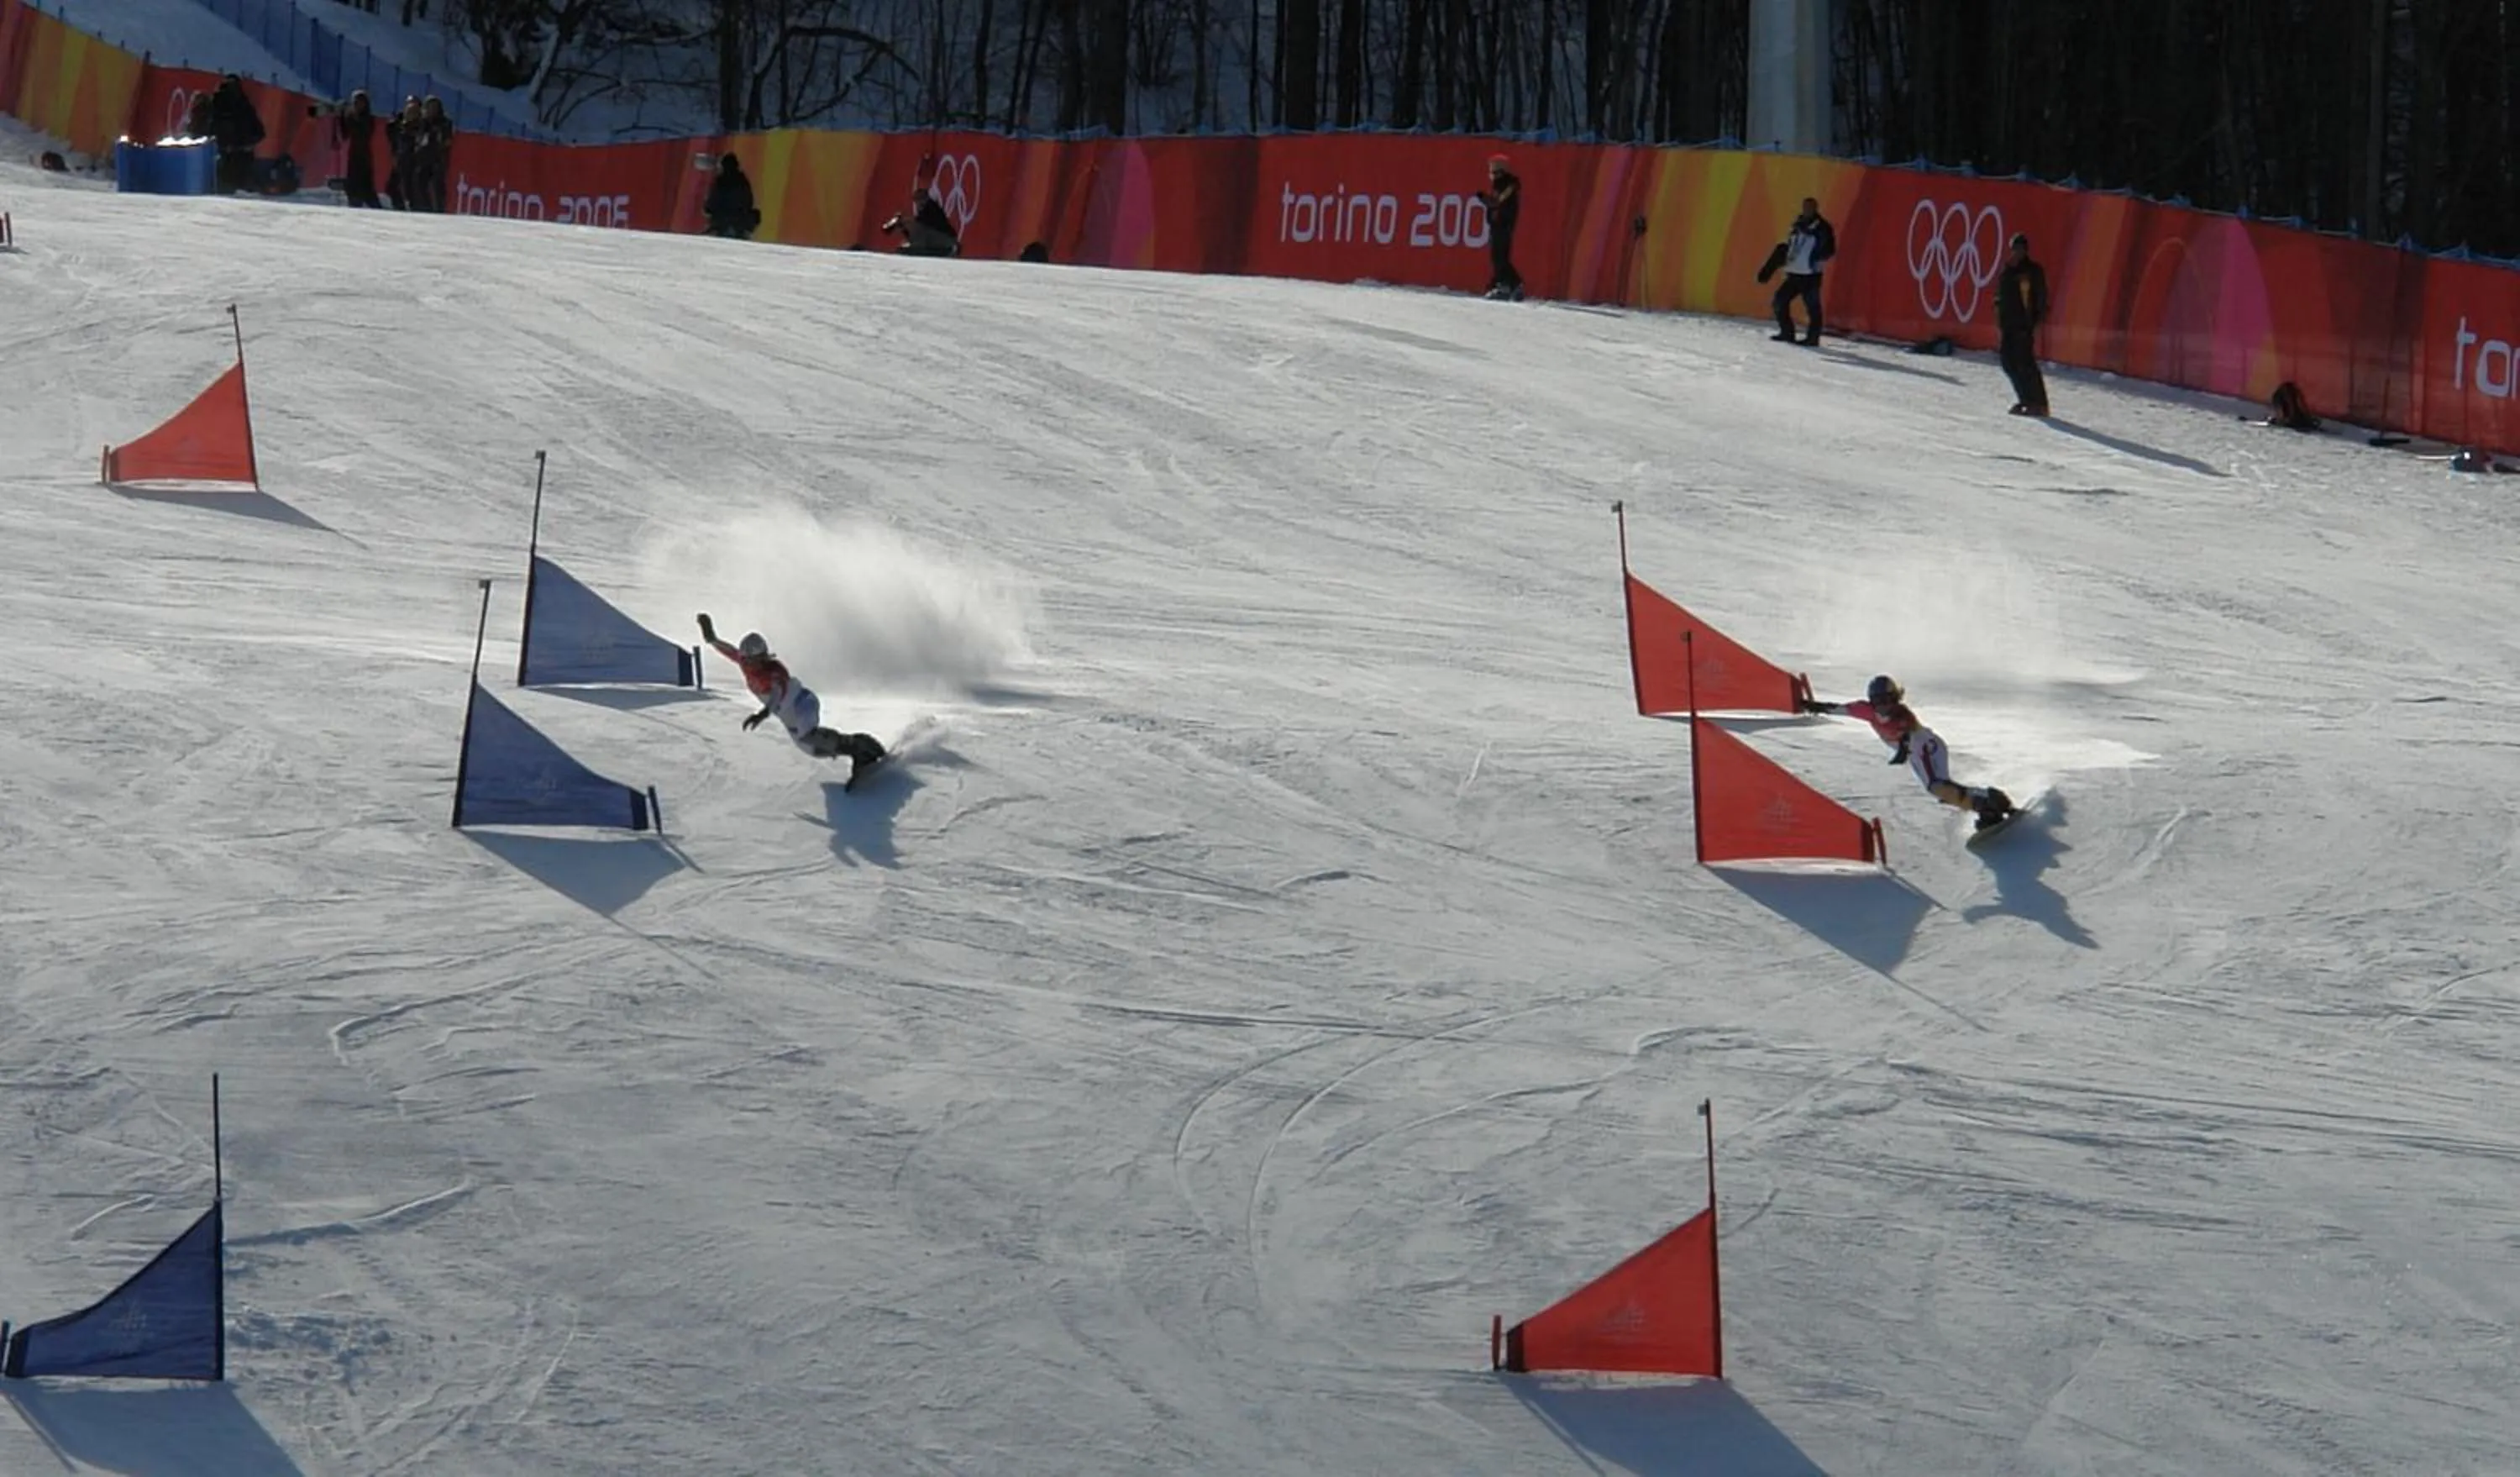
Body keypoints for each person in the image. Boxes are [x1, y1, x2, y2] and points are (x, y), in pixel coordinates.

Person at [1801, 675, 2015, 831]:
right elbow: (1840, 709)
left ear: (1896, 699)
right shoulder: (1866, 711)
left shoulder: (1903, 716)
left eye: (1888, 700)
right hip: (1917, 755)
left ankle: (1988, 800)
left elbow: (1908, 736)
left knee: (1937, 787)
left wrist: (1902, 750)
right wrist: (1814, 706)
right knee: (1939, 789)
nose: (1883, 706)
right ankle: (1985, 804)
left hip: (1928, 749)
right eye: (1878, 701)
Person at [696, 613, 888, 785]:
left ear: (762, 657)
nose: (747, 665)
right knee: (814, 751)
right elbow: (731, 652)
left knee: (809, 735)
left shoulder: (774, 671)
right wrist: (712, 639)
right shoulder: (746, 663)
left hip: (802, 704)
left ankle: (858, 746)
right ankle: (855, 750)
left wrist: (762, 714)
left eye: (752, 661)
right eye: (745, 660)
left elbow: (777, 695)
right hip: (789, 717)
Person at [1759, 197, 1835, 345]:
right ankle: (1787, 332)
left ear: (1815, 209)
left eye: (1810, 207)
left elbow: (1830, 249)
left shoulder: (1823, 227)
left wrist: (1816, 259)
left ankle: (1812, 338)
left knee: (1813, 308)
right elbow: (1790, 245)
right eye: (1805, 207)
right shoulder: (1797, 225)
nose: (1806, 210)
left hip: (1811, 275)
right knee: (1779, 301)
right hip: (1794, 272)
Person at [1997, 233, 2050, 417]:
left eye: (2020, 249)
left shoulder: (2031, 271)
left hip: (2023, 326)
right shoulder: (2008, 270)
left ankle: (2039, 402)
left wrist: (2032, 323)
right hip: (2008, 325)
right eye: (2014, 249)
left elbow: (2039, 299)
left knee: (2025, 363)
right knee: (2008, 362)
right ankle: (2024, 399)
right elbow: (2002, 297)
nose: (2016, 252)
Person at [1476, 154, 1522, 300]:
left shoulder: (1508, 185)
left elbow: (1497, 202)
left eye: (1494, 172)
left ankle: (1505, 285)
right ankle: (1513, 283)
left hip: (1504, 224)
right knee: (1498, 257)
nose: (1491, 175)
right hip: (1497, 224)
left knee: (1499, 256)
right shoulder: (1499, 185)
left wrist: (1484, 199)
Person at [208, 76, 265, 195]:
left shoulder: (217, 105)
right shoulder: (244, 104)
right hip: (239, 156)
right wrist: (249, 143)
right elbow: (259, 132)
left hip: (226, 155)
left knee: (226, 192)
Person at [330, 91, 381, 208]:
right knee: (352, 183)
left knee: (366, 184)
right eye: (357, 103)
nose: (359, 105)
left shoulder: (368, 119)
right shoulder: (350, 116)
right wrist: (341, 117)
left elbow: (362, 132)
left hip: (364, 155)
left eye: (362, 103)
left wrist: (346, 116)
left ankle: (374, 206)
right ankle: (354, 203)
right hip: (352, 154)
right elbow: (344, 134)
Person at [880, 185, 959, 256]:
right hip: (942, 239)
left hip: (946, 240)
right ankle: (917, 245)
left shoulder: (931, 208)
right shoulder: (926, 209)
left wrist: (903, 222)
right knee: (914, 226)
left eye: (918, 200)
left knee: (916, 226)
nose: (917, 203)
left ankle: (919, 245)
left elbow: (921, 225)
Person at [704, 153, 759, 239]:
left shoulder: (721, 182)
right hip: (739, 223)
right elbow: (749, 201)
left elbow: (711, 204)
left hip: (723, 222)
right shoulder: (742, 181)